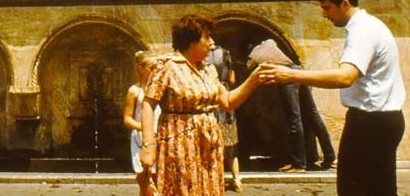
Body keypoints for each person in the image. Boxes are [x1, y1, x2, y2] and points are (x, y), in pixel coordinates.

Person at [259, 0, 406, 196]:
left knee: (355, 189)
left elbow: (345, 77)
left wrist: (291, 74)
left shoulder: (362, 30)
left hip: (371, 123)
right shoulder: (369, 25)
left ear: (344, 3)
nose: (324, 15)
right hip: (380, 120)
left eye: (327, 8)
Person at [139, 14, 262, 195]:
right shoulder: (166, 66)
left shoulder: (209, 69)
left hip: (209, 145)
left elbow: (227, 102)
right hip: (179, 142)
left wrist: (254, 80)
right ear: (191, 41)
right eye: (207, 37)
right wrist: (148, 146)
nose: (212, 43)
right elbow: (148, 105)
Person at [247, 38, 335, 172]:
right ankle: (330, 158)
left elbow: (249, 69)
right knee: (313, 114)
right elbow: (273, 44)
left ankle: (299, 164)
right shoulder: (269, 42)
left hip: (287, 76)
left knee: (294, 119)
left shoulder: (253, 56)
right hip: (298, 70)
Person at [206, 42, 243, 192]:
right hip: (225, 95)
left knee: (212, 143)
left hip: (211, 96)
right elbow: (232, 80)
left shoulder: (202, 55)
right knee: (231, 143)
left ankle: (216, 179)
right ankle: (236, 179)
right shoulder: (226, 53)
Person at [124, 51, 160, 196]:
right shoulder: (134, 91)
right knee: (144, 177)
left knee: (157, 178)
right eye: (152, 68)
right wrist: (144, 128)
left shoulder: (161, 90)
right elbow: (127, 119)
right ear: (141, 68)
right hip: (141, 138)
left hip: (160, 137)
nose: (155, 71)